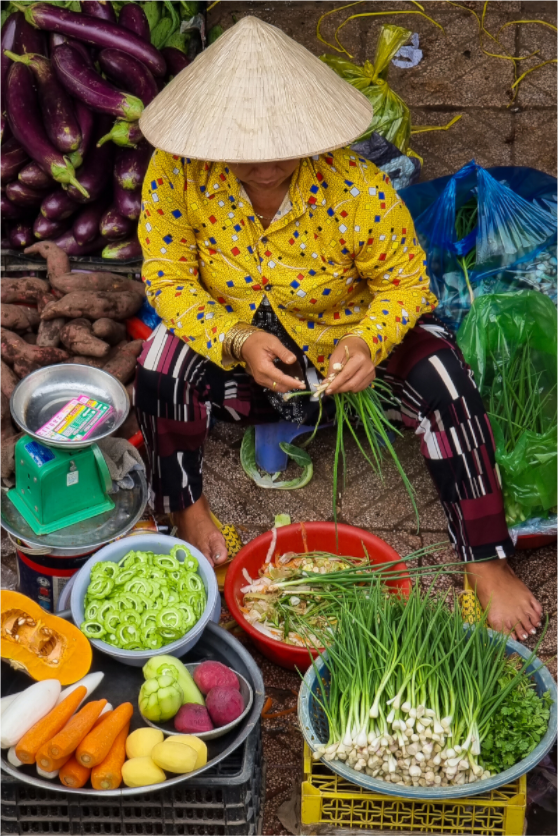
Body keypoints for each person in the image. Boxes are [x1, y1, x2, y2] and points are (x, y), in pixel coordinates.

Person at [135, 16, 542, 640]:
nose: (264, 164)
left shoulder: (357, 187)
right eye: (243, 151)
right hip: (237, 344)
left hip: (341, 354)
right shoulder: (178, 173)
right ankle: (186, 507)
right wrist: (237, 340)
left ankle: (485, 557)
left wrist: (365, 342)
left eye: (282, 146)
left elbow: (406, 285)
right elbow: (166, 278)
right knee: (159, 364)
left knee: (443, 372)